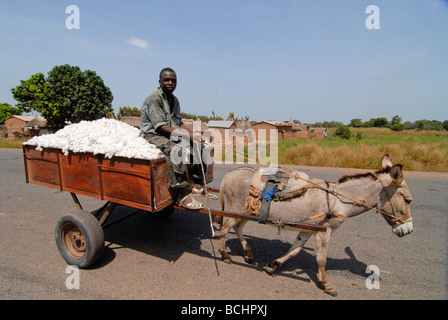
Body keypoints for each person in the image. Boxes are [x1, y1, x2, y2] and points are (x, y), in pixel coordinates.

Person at [140, 67, 214, 210]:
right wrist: (188, 136)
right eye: (166, 80)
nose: (170, 83)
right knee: (176, 150)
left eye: (173, 80)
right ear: (159, 82)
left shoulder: (174, 100)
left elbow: (179, 124)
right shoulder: (154, 98)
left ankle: (198, 185)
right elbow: (160, 127)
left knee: (199, 146)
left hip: (169, 134)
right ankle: (181, 193)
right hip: (153, 135)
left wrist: (193, 135)